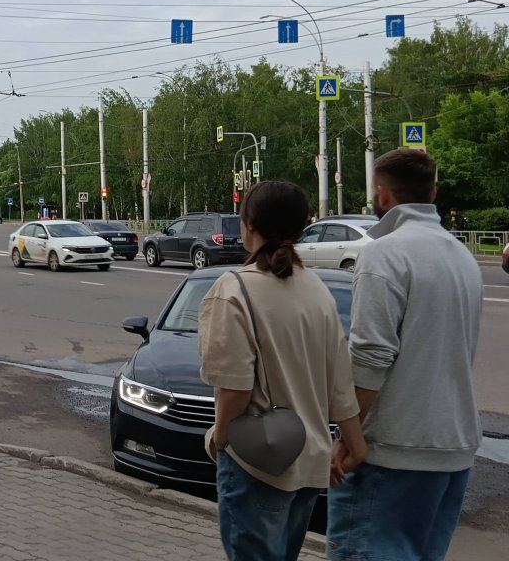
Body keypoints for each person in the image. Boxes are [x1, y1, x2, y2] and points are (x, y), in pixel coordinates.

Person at [199, 180, 366, 561]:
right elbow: (340, 381)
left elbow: (235, 388)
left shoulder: (233, 288)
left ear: (248, 225)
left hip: (258, 463)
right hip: (310, 462)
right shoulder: (316, 288)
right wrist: (355, 442)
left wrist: (220, 439)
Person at [327, 149, 483, 561]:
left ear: (382, 195)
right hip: (453, 450)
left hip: (393, 452)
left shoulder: (385, 254)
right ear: (433, 192)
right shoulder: (462, 256)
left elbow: (370, 357)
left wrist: (350, 438)